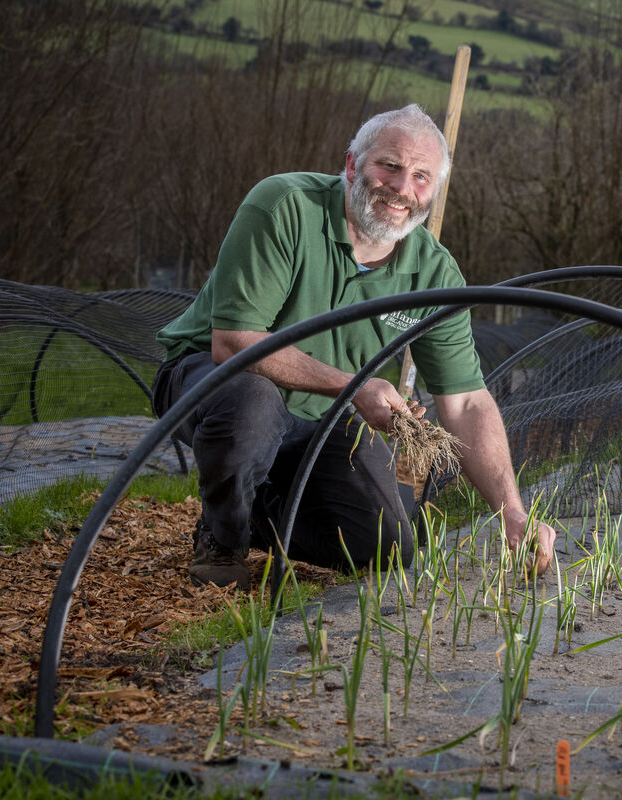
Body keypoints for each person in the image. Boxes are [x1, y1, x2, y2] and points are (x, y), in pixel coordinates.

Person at [152, 103, 555, 590]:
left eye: (422, 176)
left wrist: (512, 510)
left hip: (323, 414)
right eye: (390, 165)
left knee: (385, 549)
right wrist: (357, 387)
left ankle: (254, 510)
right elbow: (234, 342)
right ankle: (223, 536)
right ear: (351, 165)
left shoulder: (435, 275)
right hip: (210, 382)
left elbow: (466, 400)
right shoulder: (284, 206)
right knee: (254, 399)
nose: (403, 189)